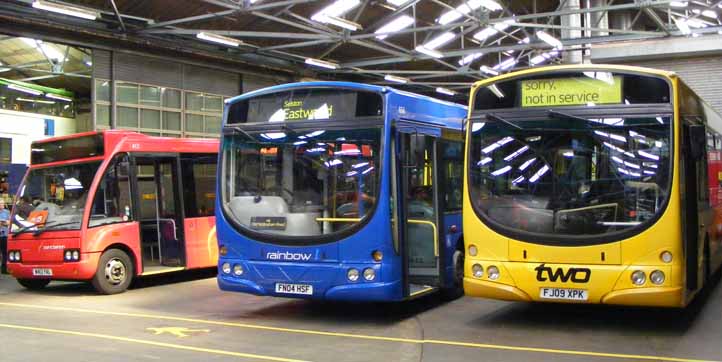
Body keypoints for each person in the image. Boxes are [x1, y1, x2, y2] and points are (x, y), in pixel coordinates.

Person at [0, 199, 9, 274]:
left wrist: (3, 223)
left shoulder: (7, 212)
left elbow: (9, 222)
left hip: (4, 234)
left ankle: (4, 269)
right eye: (0, 204)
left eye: (2, 204)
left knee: (5, 252)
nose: (1, 205)